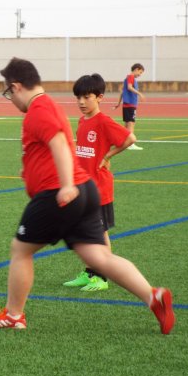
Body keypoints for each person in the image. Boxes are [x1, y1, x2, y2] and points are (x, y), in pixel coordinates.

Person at [0, 57, 174, 334]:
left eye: (8, 93)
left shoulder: (38, 109)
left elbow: (58, 141)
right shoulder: (49, 106)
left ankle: (14, 316)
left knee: (20, 250)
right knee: (99, 258)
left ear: (17, 86)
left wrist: (66, 185)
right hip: (86, 190)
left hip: (58, 192)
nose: (10, 99)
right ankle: (152, 297)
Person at [63, 73, 135, 291]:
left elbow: (129, 139)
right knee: (85, 232)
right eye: (78, 98)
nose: (82, 102)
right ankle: (89, 271)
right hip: (83, 186)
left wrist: (107, 156)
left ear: (100, 97)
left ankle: (102, 277)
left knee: (100, 232)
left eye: (87, 97)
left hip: (100, 188)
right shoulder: (82, 121)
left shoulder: (104, 121)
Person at [114, 63, 145, 150]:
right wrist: (140, 93)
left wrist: (118, 103)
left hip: (127, 105)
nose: (140, 74)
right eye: (140, 72)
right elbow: (129, 87)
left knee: (128, 124)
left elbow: (122, 92)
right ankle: (130, 143)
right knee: (131, 123)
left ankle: (122, 141)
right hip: (130, 104)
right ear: (136, 69)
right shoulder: (131, 77)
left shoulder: (127, 78)